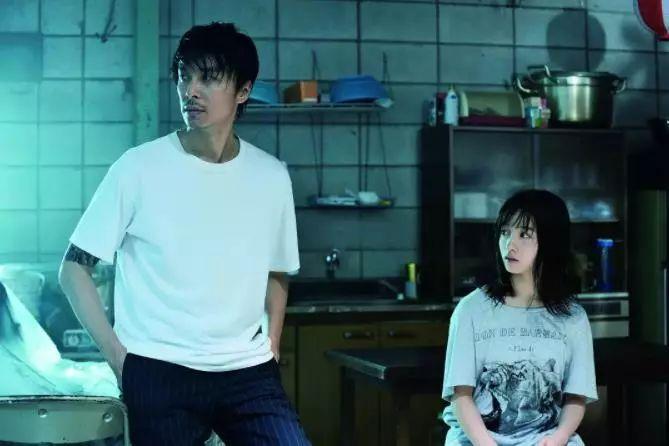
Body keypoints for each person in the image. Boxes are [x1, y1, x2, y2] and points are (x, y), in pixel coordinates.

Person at [58, 22, 311, 445]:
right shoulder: (137, 168)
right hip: (158, 369)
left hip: (248, 372)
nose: (190, 90)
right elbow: (73, 270)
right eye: (184, 76)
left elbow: (278, 270)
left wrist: (272, 343)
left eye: (208, 78)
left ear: (244, 91)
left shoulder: (271, 176)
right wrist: (120, 360)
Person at [441, 189, 597, 446]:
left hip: (546, 439)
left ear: (550, 241)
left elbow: (576, 398)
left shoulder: (573, 317)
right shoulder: (471, 310)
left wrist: (558, 438)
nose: (509, 244)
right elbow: (461, 395)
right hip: (476, 440)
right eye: (505, 232)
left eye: (524, 234)